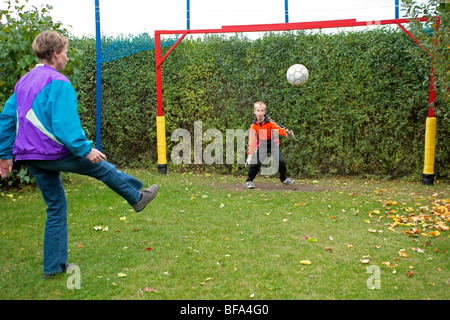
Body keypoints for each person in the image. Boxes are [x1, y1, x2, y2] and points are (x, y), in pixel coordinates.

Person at [0, 31, 158, 279]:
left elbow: (7, 119)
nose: (65, 57)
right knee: (101, 166)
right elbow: (64, 124)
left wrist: (4, 155)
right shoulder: (58, 82)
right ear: (55, 53)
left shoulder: (24, 82)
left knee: (55, 206)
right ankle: (137, 196)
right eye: (64, 52)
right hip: (53, 152)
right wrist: (84, 148)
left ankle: (53, 267)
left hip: (30, 156)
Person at [244, 101, 295, 189]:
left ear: (264, 112)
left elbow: (278, 128)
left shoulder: (269, 122)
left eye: (262, 111)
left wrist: (287, 134)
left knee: (280, 161)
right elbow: (252, 141)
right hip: (262, 145)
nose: (260, 113)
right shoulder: (253, 126)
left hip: (273, 144)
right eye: (258, 111)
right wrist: (250, 155)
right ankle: (249, 181)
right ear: (254, 112)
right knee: (256, 163)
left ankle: (284, 179)